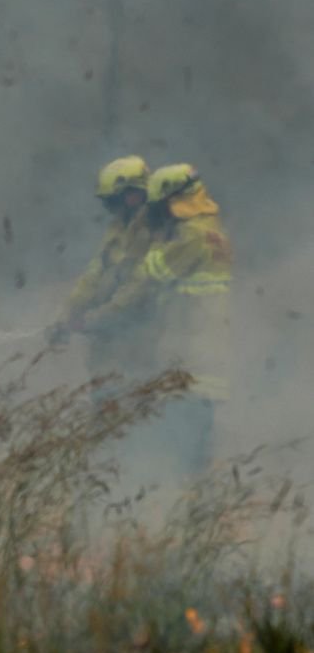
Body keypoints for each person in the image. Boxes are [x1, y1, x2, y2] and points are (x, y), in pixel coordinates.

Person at [81, 163, 232, 472]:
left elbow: (144, 282)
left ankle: (188, 507)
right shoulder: (213, 232)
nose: (154, 213)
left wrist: (98, 318)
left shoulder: (191, 238)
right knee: (192, 446)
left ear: (174, 200)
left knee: (182, 446)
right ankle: (196, 504)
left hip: (186, 352)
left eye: (158, 205)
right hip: (205, 350)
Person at [50, 156, 157, 392]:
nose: (113, 208)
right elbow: (93, 275)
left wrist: (96, 318)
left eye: (116, 200)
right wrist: (67, 314)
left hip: (142, 341)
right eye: (109, 203)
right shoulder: (118, 229)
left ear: (135, 194)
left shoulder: (153, 230)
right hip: (109, 342)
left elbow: (139, 286)